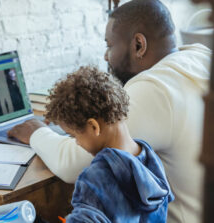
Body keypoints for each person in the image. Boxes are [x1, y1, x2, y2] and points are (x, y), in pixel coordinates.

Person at [8, 1, 211, 222]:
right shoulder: (200, 57)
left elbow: (71, 164)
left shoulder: (155, 88)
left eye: (110, 45)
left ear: (138, 45)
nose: (106, 56)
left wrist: (36, 132)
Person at [46, 66, 174, 222]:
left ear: (94, 127)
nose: (77, 143)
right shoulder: (151, 160)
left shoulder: (95, 178)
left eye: (74, 136)